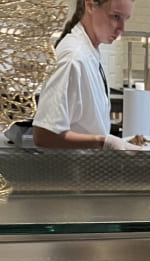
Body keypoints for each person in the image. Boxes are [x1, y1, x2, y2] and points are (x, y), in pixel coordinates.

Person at [33, 0, 138, 150]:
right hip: (70, 165)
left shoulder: (90, 51)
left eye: (125, 19)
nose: (122, 28)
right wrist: (102, 142)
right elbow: (44, 135)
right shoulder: (73, 58)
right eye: (115, 17)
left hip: (85, 164)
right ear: (90, 5)